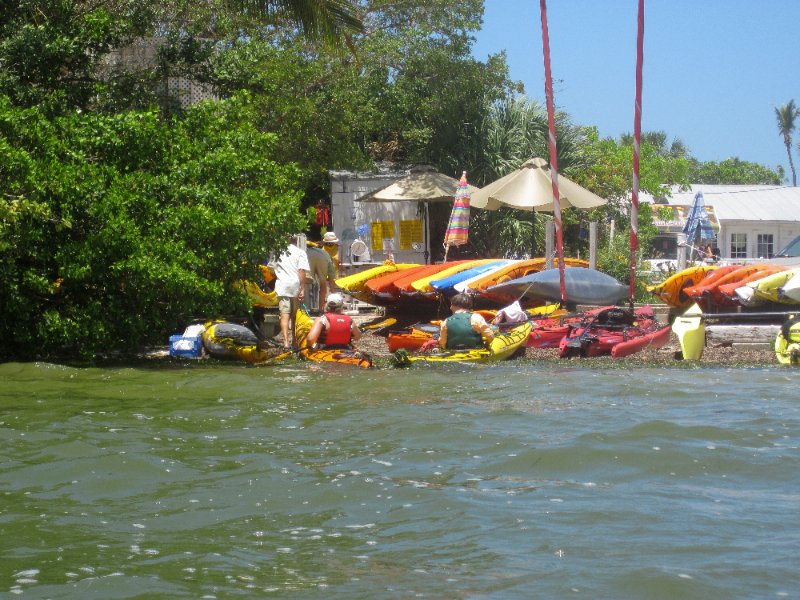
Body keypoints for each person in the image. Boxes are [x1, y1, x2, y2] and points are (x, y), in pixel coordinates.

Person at [271, 235, 310, 349]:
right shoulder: (300, 252)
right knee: (294, 316)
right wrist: (302, 288)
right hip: (295, 286)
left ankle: (286, 343)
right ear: (296, 241)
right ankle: (295, 342)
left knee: (284, 315)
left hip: (282, 286)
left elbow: (272, 268)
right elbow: (301, 271)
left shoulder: (277, 252)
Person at [306, 244, 337, 314]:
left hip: (308, 256)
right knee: (323, 284)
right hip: (322, 259)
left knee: (306, 282)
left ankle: (305, 309)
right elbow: (331, 277)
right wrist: (333, 293)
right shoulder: (326, 254)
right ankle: (321, 309)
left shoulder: (309, 251)